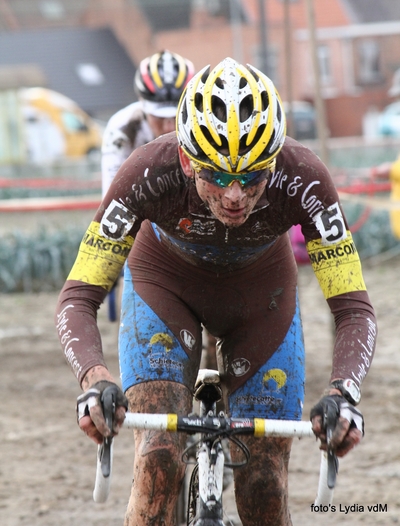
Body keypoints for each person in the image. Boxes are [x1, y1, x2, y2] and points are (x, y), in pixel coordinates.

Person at [56, 58, 376, 526]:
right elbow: (78, 296)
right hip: (165, 285)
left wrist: (344, 393)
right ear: (186, 160)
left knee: (264, 486)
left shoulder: (304, 177)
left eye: (251, 177)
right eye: (216, 176)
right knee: (158, 463)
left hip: (260, 299)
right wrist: (95, 380)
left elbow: (353, 308)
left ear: (274, 161)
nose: (234, 195)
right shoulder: (147, 172)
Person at [101, 49, 195, 321]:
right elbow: (113, 198)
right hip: (144, 213)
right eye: (158, 116)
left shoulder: (202, 120)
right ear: (142, 105)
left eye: (174, 114)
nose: (168, 124)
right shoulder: (122, 128)